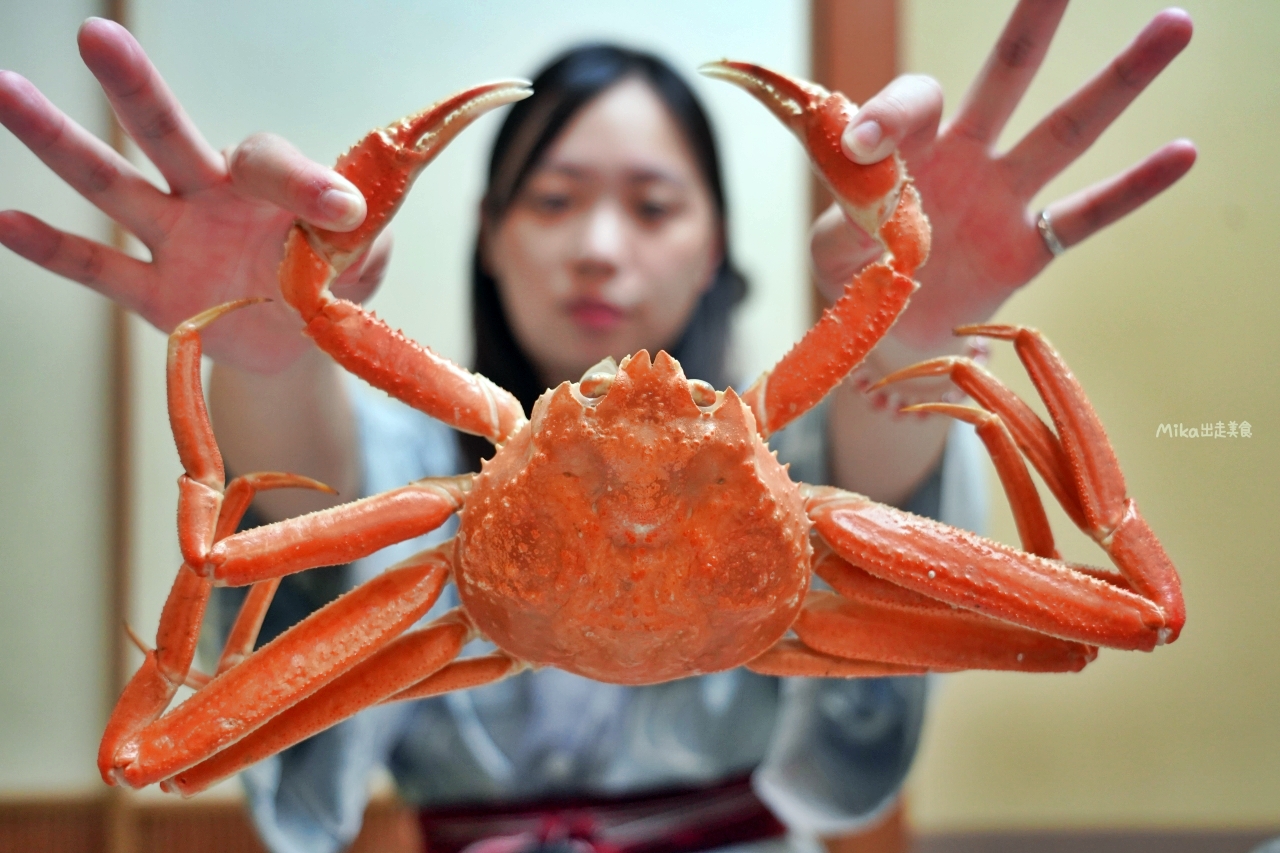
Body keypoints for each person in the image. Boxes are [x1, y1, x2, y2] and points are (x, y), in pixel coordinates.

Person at [0, 2, 1195, 852]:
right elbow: (295, 794)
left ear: (719, 245)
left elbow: (851, 761)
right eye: (555, 197)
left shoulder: (791, 464)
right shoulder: (419, 483)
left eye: (653, 202)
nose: (600, 245)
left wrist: (899, 338)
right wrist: (264, 351)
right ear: (489, 233)